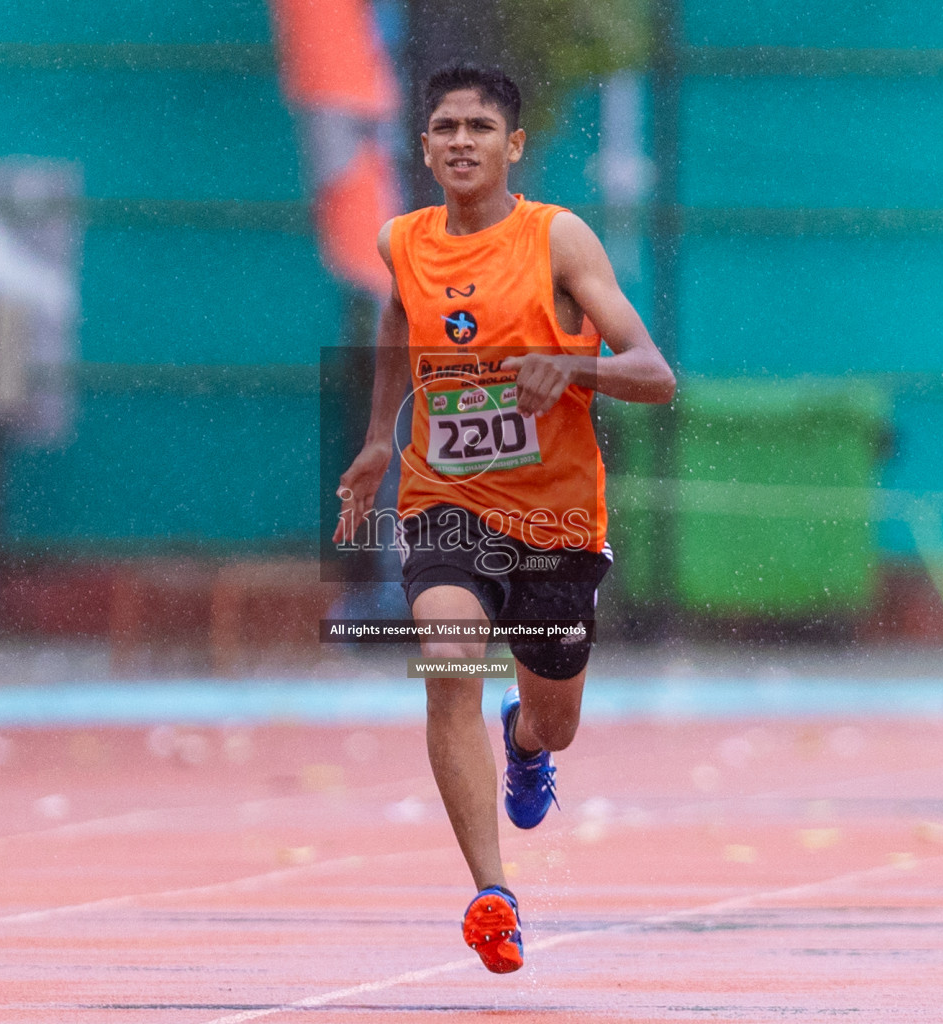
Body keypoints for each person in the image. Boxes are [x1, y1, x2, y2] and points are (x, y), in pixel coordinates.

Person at [333, 63, 675, 973]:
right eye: (444, 127)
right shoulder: (402, 241)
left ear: (512, 146)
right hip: (446, 501)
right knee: (449, 655)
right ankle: (492, 894)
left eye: (479, 128)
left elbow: (655, 371)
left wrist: (575, 369)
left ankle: (526, 741)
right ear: (425, 144)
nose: (460, 142)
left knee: (555, 717)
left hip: (557, 520)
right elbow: (400, 330)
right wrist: (379, 436)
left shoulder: (558, 241)